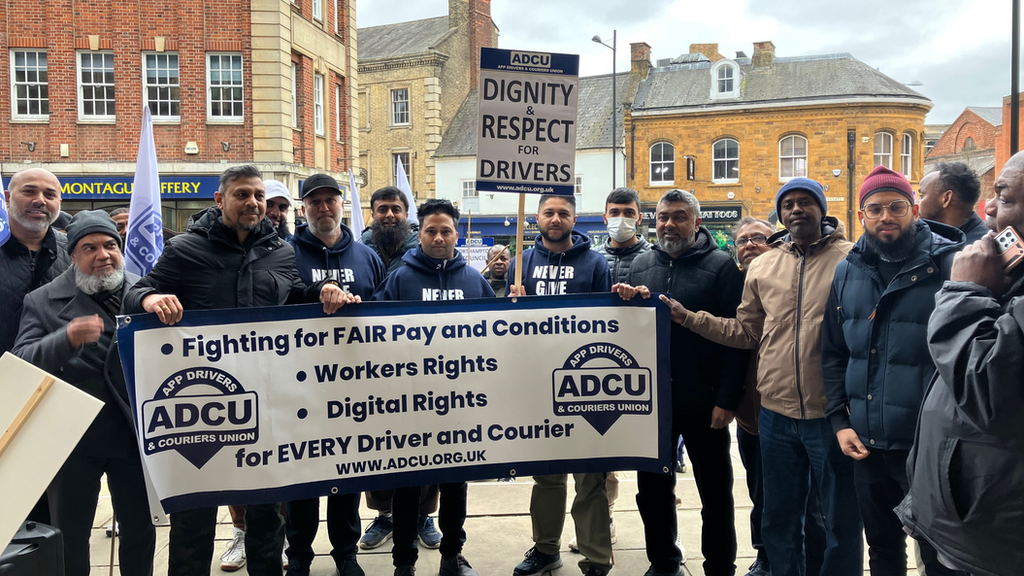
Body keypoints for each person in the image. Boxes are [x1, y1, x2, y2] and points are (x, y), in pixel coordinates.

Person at [124, 164, 350, 576]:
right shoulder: (185, 250)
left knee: (267, 516)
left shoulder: (280, 250)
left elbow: (294, 294)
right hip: (202, 406)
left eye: (259, 196)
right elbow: (137, 290)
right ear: (220, 200)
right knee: (195, 518)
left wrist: (321, 290)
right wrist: (150, 300)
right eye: (242, 194)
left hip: (265, 404)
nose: (252, 203)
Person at [676, 178, 863, 576]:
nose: (796, 209)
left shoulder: (852, 260)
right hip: (774, 414)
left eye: (805, 202)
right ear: (780, 212)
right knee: (778, 520)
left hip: (831, 413)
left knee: (838, 520)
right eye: (788, 203)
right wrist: (690, 319)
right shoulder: (763, 265)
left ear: (822, 208)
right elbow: (745, 333)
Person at [822, 166, 965, 576]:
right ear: (861, 215)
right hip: (867, 443)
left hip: (929, 445)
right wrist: (839, 420)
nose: (887, 216)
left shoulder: (951, 264)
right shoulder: (847, 270)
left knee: (942, 555)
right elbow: (832, 351)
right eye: (875, 208)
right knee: (882, 548)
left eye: (897, 206)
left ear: (915, 209)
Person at [897, 151, 1024, 576]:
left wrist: (965, 291)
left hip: (992, 541)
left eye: (1003, 196)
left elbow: (986, 387)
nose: (989, 208)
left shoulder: (972, 272)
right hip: (960, 524)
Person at [14, 210, 155, 576]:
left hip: (132, 435)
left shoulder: (144, 293)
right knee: (71, 536)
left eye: (110, 245)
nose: (103, 255)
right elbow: (21, 361)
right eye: (89, 247)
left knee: (140, 532)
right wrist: (65, 339)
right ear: (73, 256)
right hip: (74, 439)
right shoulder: (41, 301)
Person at [613, 189, 745, 576]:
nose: (669, 224)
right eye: (663, 217)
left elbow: (736, 341)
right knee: (652, 492)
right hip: (652, 403)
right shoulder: (639, 265)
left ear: (697, 222)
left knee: (716, 493)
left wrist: (727, 399)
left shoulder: (723, 267)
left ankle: (720, 566)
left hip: (704, 402)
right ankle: (664, 561)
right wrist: (623, 297)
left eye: (679, 216)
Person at [372, 198, 490, 576]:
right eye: (430, 231)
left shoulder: (474, 280)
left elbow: (498, 333)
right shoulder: (400, 277)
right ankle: (404, 562)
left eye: (446, 231)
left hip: (461, 405)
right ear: (417, 233)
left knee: (455, 486)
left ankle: (452, 556)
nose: (438, 238)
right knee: (407, 487)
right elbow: (375, 330)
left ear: (457, 234)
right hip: (409, 406)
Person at [284, 173, 385, 576]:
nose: (324, 208)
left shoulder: (366, 255)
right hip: (301, 384)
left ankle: (346, 553)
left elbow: (384, 310)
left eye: (331, 200)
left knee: (348, 472)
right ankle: (300, 557)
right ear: (304, 207)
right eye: (315, 201)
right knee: (302, 477)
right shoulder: (285, 253)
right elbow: (278, 304)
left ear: (342, 205)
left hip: (354, 385)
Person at [507, 194, 613, 576]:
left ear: (575, 218)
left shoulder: (596, 263)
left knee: (590, 478)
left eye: (563, 213)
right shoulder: (522, 264)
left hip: (585, 384)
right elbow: (506, 330)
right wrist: (511, 304)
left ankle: (597, 556)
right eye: (549, 212)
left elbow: (608, 321)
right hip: (537, 385)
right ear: (536, 217)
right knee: (547, 477)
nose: (555, 218)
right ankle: (545, 548)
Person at [357, 185, 441, 551]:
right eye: (381, 209)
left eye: (395, 208)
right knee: (377, 445)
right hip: (373, 370)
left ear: (407, 216)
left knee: (428, 441)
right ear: (372, 214)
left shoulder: (424, 251)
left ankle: (424, 515)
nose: (389, 215)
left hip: (424, 368)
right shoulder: (358, 252)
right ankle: (384, 515)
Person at [1, 167, 70, 525]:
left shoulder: (71, 254)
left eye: (50, 194)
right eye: (29, 191)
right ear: (9, 197)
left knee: (51, 511)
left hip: (53, 395)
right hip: (2, 394)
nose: (40, 200)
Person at [916, 162, 986, 243]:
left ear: (946, 198)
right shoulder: (925, 236)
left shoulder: (984, 248)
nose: (915, 203)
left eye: (921, 196)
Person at [597, 187, 651, 284]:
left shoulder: (654, 257)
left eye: (629, 213)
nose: (621, 218)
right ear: (605, 218)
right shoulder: (594, 258)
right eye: (614, 212)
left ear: (639, 218)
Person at [361, 186, 420, 274]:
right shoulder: (363, 251)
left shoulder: (421, 251)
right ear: (373, 216)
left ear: (406, 216)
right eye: (383, 210)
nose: (389, 215)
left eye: (396, 210)